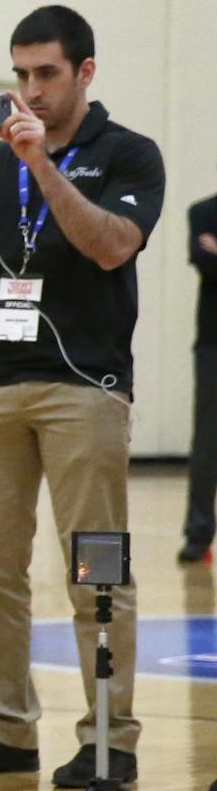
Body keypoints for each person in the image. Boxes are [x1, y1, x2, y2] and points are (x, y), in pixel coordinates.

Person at [0, 5, 164, 786]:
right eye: (20, 74)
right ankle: (4, 729)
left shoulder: (129, 154)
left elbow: (110, 245)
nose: (31, 89)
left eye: (47, 74)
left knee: (99, 569)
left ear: (85, 72)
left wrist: (44, 167)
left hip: (83, 389)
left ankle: (109, 738)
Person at [178, 188, 217, 564]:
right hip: (213, 345)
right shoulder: (203, 211)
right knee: (207, 442)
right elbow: (203, 261)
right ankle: (199, 533)